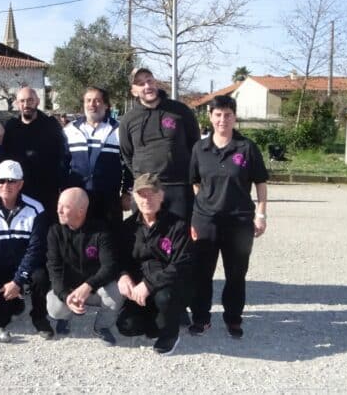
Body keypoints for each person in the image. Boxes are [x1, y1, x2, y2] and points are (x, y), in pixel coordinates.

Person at [188, 95, 268, 339]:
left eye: (228, 114)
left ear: (235, 117)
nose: (223, 119)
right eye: (218, 114)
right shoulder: (199, 148)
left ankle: (233, 318)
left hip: (239, 222)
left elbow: (261, 183)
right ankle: (201, 318)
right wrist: (206, 204)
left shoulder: (247, 148)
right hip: (206, 222)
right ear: (211, 117)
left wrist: (261, 214)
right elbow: (195, 182)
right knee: (202, 273)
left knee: (236, 274)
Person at [0, 160, 54, 342]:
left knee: (41, 277)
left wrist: (17, 281)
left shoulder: (36, 209)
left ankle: (39, 316)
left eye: (11, 181)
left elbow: (36, 249)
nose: (6, 185)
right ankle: (16, 304)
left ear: (20, 184)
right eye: (1, 181)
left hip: (27, 268)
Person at [116, 173, 194, 355]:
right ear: (134, 197)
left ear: (161, 195)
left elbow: (181, 264)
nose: (146, 199)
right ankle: (158, 319)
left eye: (152, 193)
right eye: (141, 194)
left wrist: (149, 284)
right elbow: (119, 258)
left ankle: (171, 334)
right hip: (139, 289)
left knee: (164, 299)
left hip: (167, 287)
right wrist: (123, 275)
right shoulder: (128, 227)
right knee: (127, 327)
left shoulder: (177, 225)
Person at [119, 68, 200, 220]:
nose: (147, 86)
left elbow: (195, 146)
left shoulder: (180, 111)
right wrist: (141, 175)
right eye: (140, 83)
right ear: (134, 91)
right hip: (145, 189)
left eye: (149, 80)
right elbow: (127, 154)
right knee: (146, 240)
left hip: (179, 188)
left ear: (155, 83)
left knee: (180, 239)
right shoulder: (128, 120)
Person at [46, 187, 123, 346]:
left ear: (81, 211)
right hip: (70, 289)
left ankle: (101, 326)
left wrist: (89, 285)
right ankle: (65, 317)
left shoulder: (101, 231)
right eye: (59, 204)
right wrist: (65, 295)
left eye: (65, 207)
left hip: (94, 288)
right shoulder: (55, 232)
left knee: (116, 295)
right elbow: (54, 268)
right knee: (55, 308)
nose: (58, 210)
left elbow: (110, 267)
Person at [64, 86, 132, 227]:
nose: (92, 105)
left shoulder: (119, 130)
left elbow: (129, 164)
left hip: (109, 200)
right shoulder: (70, 130)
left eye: (97, 101)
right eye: (88, 100)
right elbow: (62, 164)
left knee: (111, 242)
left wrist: (127, 192)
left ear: (106, 105)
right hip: (78, 199)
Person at [1, 87, 68, 216]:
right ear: (17, 104)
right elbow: (4, 157)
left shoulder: (51, 125)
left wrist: (61, 185)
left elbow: (63, 155)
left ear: (37, 101)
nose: (26, 105)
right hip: (19, 191)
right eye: (22, 101)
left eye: (30, 100)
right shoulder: (11, 126)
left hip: (47, 191)